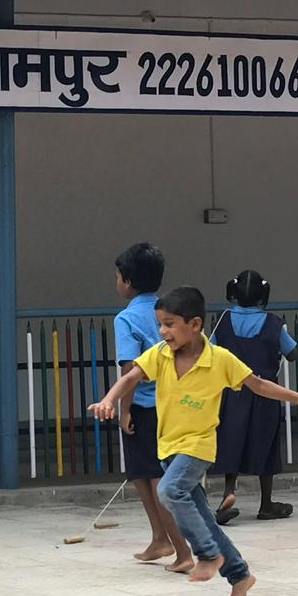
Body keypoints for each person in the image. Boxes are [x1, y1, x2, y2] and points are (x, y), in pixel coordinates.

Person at [90, 287, 298, 596]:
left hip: (198, 446)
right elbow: (131, 376)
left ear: (194, 325)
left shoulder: (219, 359)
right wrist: (109, 400)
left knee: (168, 492)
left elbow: (258, 384)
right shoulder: (160, 354)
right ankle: (240, 576)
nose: (162, 332)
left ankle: (208, 555)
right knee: (206, 520)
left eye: (169, 324)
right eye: (160, 325)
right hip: (168, 447)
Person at [111, 243, 193, 573]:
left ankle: (183, 551)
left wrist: (124, 408)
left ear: (127, 280)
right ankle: (160, 538)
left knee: (156, 477)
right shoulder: (168, 310)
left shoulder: (127, 317)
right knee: (142, 474)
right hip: (172, 403)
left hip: (145, 405)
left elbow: (130, 367)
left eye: (117, 275)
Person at [210, 270, 298, 525]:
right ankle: (266, 503)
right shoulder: (274, 323)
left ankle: (229, 493)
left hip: (231, 391)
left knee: (230, 440)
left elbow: (211, 349)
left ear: (233, 293)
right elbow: (293, 353)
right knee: (267, 445)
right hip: (265, 392)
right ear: (264, 294)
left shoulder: (223, 320)